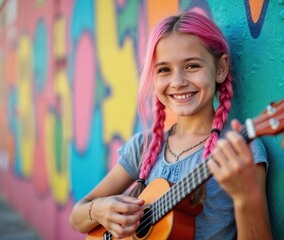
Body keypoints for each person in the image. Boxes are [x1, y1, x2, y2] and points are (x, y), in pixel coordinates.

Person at [69, 11, 272, 239]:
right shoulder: (143, 147)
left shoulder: (240, 151)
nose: (178, 82)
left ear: (221, 68)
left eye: (192, 66)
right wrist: (98, 210)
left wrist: (246, 198)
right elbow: (77, 217)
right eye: (164, 70)